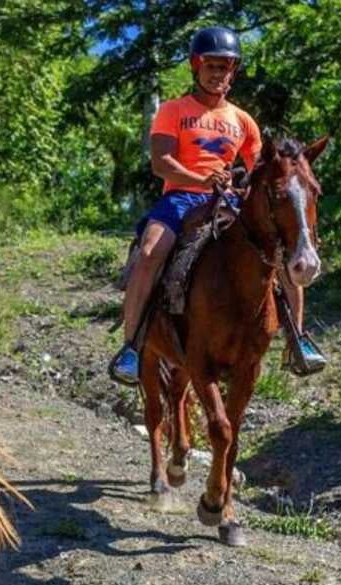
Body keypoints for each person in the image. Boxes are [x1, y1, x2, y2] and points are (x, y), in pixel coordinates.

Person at [108, 26, 326, 387]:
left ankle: (298, 341)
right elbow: (161, 163)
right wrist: (200, 180)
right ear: (196, 66)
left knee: (282, 253)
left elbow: (261, 171)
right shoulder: (173, 110)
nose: (218, 73)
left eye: (225, 67)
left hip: (229, 201)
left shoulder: (243, 121)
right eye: (211, 65)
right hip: (180, 198)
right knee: (149, 252)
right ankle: (132, 346)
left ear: (233, 71)